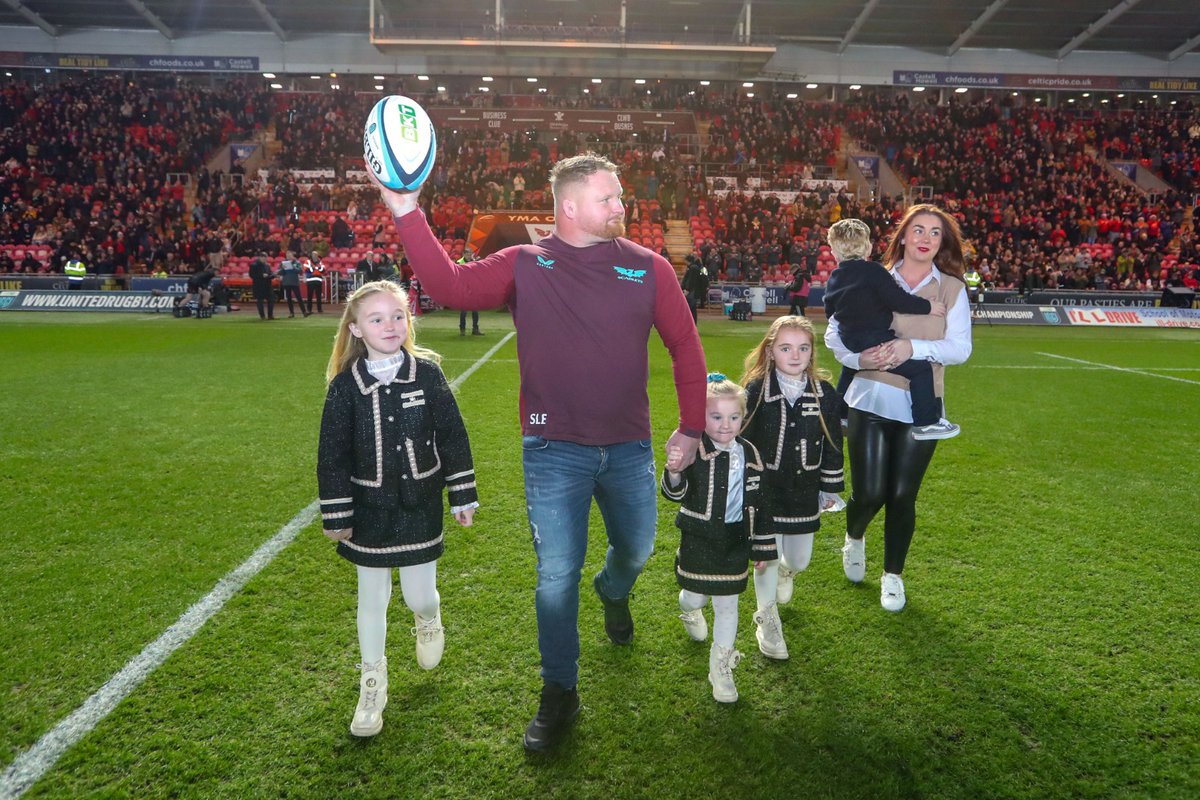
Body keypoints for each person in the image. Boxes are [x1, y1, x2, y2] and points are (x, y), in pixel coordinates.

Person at [370, 152, 706, 753]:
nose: (620, 207)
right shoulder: (526, 263)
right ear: (570, 207)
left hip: (629, 447)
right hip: (552, 449)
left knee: (638, 548)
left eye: (619, 197)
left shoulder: (650, 268)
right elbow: (450, 286)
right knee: (555, 575)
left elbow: (684, 344)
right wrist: (406, 211)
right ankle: (560, 693)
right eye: (608, 198)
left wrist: (692, 427)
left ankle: (613, 590)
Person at [317, 280, 479, 738]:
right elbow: (332, 454)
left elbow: (452, 436)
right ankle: (373, 683)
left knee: (417, 595)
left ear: (409, 320)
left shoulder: (427, 374)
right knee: (372, 598)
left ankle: (428, 619)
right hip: (367, 510)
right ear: (355, 330)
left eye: (397, 316)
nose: (389, 325)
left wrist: (461, 492)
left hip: (419, 504)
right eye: (376, 318)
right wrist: (337, 513)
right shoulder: (345, 387)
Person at [824, 204, 972, 613]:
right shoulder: (872, 274)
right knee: (870, 493)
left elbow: (960, 349)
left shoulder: (953, 289)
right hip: (869, 397)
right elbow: (834, 333)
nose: (925, 238)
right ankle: (854, 539)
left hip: (921, 407)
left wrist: (913, 348)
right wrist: (859, 361)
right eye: (918, 230)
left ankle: (892, 576)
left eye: (935, 233)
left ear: (942, 242)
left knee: (903, 495)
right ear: (902, 237)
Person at [661, 374, 773, 703]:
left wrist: (762, 545)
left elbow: (762, 503)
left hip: (735, 541)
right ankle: (689, 609)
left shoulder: (751, 453)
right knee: (696, 596)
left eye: (734, 417)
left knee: (728, 606)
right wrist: (675, 471)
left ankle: (720, 667)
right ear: (701, 416)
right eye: (716, 417)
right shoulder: (692, 447)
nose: (726, 425)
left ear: (743, 416)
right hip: (699, 538)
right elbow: (674, 493)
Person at [739, 316, 844, 658]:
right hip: (765, 492)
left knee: (799, 560)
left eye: (803, 348)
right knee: (765, 559)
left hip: (803, 492)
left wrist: (829, 488)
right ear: (770, 351)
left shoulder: (824, 393)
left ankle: (788, 572)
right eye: (785, 348)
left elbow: (832, 443)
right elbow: (742, 440)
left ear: (812, 352)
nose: (795, 355)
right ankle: (766, 620)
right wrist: (742, 486)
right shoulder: (756, 390)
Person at [823, 218, 957, 440]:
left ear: (834, 252)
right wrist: (928, 306)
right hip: (877, 340)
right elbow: (899, 300)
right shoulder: (874, 271)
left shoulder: (835, 277)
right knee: (921, 370)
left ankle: (840, 415)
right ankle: (926, 423)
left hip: (851, 340)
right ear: (868, 247)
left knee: (851, 368)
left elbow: (830, 311)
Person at [455, 250, 483, 336]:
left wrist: (477, 263)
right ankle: (462, 330)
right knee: (464, 311)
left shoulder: (473, 261)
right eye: (467, 254)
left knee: (475, 311)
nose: (469, 255)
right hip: (464, 289)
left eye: (470, 254)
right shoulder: (459, 262)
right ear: (464, 254)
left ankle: (475, 329)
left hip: (473, 289)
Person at [277, 251, 307, 318]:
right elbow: (279, 272)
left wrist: (293, 267)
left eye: (290, 255)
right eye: (287, 255)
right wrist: (283, 269)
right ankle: (291, 313)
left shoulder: (296, 262)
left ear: (293, 255)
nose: (288, 257)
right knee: (289, 299)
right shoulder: (283, 263)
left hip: (294, 282)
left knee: (299, 298)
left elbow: (300, 271)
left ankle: (304, 312)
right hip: (286, 282)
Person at [248, 251, 276, 320]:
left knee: (271, 300)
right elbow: (252, 275)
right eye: (263, 257)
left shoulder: (267, 266)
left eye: (265, 257)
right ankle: (262, 316)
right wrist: (261, 275)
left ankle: (270, 315)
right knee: (260, 301)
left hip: (267, 285)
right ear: (260, 257)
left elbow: (270, 274)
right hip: (259, 285)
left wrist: (273, 275)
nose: (264, 259)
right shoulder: (254, 265)